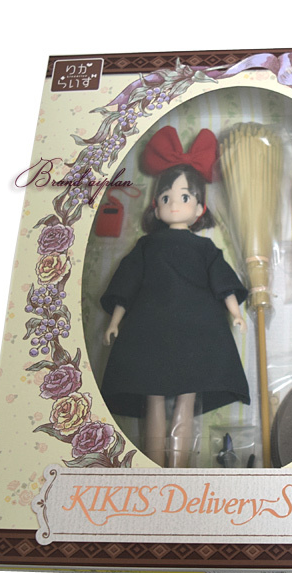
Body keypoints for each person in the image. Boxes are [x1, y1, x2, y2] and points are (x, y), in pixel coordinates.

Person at [100, 126, 250, 468]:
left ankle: (178, 467)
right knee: (153, 399)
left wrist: (236, 313)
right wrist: (114, 322)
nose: (173, 203)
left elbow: (223, 282)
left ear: (199, 208)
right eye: (165, 197)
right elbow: (127, 284)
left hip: (197, 328)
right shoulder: (145, 246)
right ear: (156, 207)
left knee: (187, 398)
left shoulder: (205, 248)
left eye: (184, 197)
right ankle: (155, 468)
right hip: (149, 327)